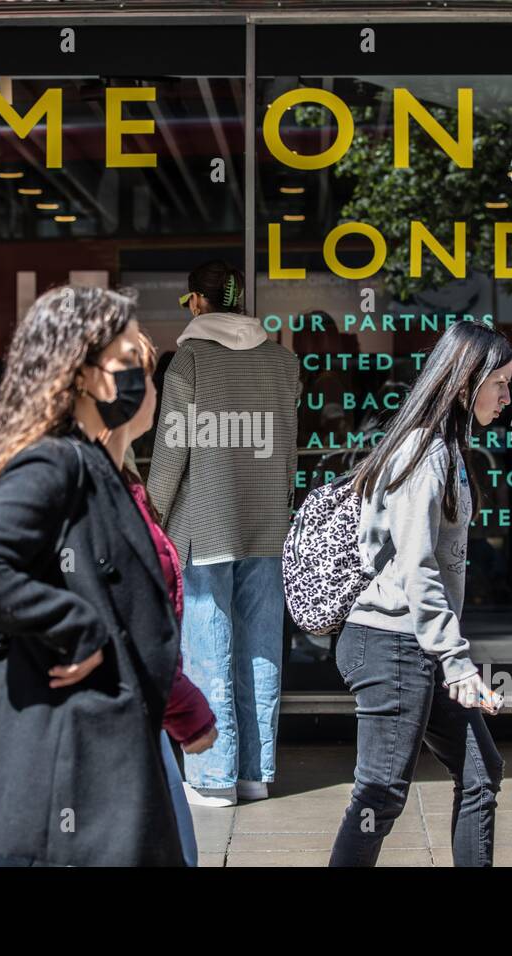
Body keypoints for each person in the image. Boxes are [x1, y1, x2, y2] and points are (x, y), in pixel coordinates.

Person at [0, 285, 186, 866]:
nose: (139, 378)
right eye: (125, 362)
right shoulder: (56, 461)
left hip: (97, 744)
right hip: (64, 751)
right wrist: (78, 626)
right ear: (83, 373)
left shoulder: (93, 462)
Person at [330, 320, 512, 867]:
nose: (508, 397)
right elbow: (418, 565)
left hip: (417, 643)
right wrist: (457, 664)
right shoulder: (425, 452)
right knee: (381, 792)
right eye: (500, 383)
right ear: (464, 383)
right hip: (389, 641)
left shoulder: (447, 449)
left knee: (481, 772)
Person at [147, 260, 299, 807]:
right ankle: (256, 774)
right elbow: (286, 449)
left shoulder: (188, 361)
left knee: (207, 648)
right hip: (266, 523)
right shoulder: (283, 361)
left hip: (204, 524)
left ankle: (213, 778)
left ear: (197, 302)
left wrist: (153, 515)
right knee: (262, 647)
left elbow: (170, 455)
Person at [104, 329, 218, 866]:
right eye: (142, 374)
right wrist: (183, 704)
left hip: (136, 721)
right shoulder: (74, 478)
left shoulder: (120, 476)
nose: (155, 386)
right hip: (101, 727)